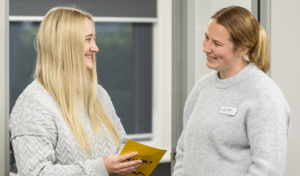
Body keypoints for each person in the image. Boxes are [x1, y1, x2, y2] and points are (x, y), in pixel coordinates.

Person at [9, 7, 142, 176]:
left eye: (94, 39)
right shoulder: (33, 103)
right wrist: (100, 169)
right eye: (88, 39)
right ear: (65, 46)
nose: (95, 48)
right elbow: (36, 172)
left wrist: (131, 160)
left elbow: (121, 143)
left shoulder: (99, 94)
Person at [173, 6, 291, 176]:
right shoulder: (202, 87)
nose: (206, 48)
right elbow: (185, 150)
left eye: (217, 43)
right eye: (207, 38)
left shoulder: (265, 96)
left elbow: (268, 170)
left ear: (243, 49)